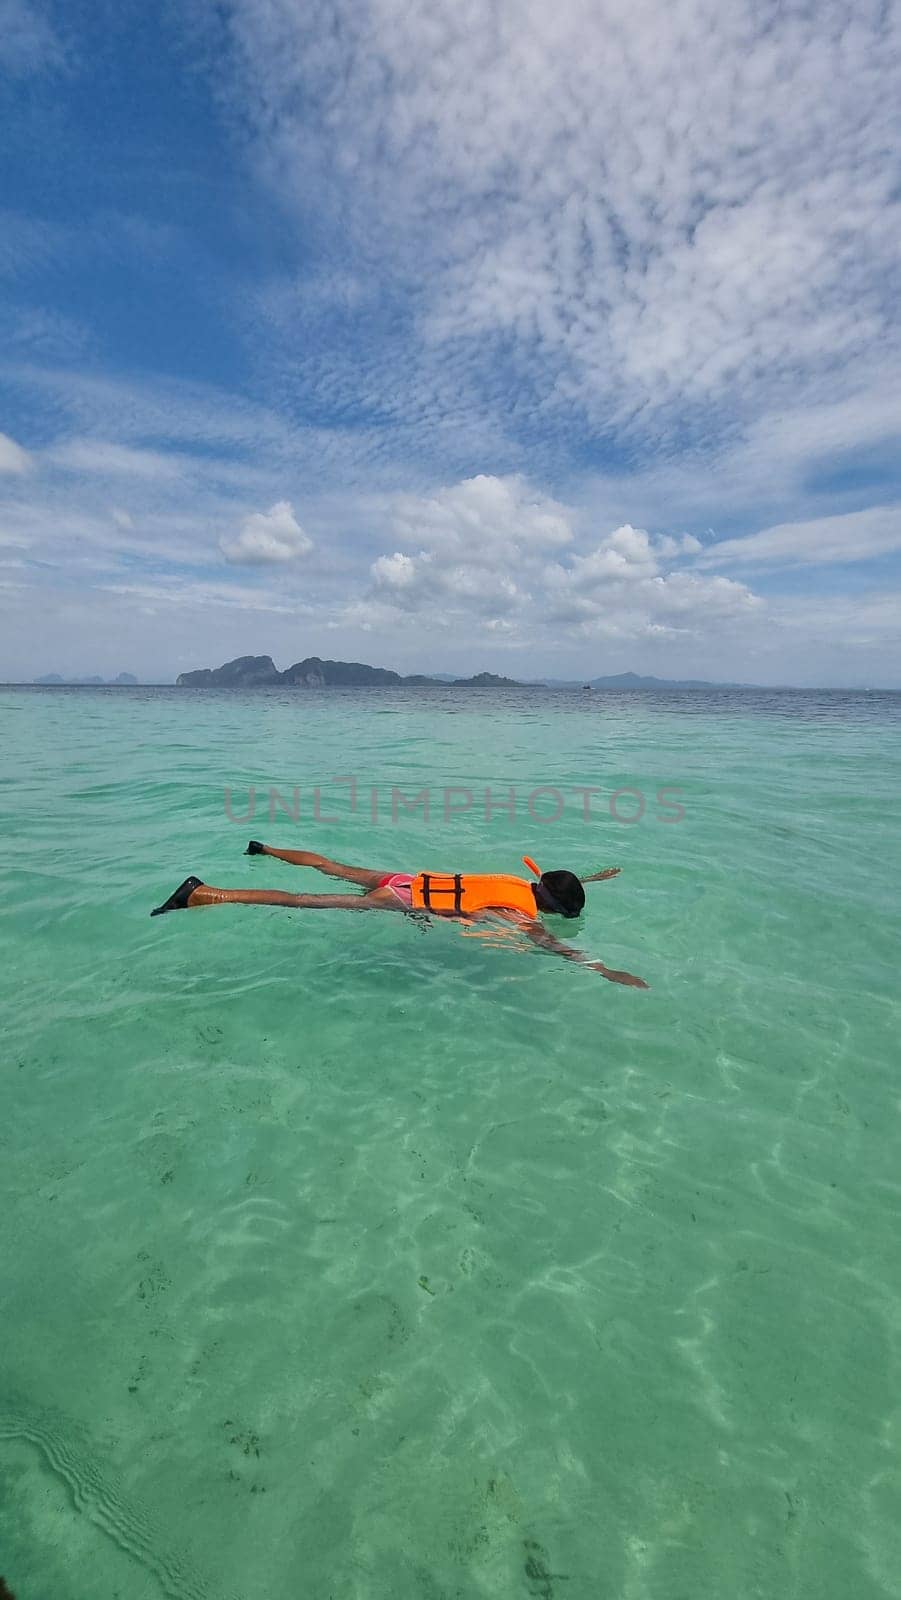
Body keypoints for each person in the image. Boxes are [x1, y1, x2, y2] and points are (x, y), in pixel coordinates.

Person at [151, 844, 648, 987]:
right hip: (403, 901)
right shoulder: (517, 911)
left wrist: (597, 878)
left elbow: (557, 886)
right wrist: (601, 969)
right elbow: (550, 945)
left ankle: (264, 848)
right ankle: (205, 894)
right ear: (553, 908)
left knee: (331, 867)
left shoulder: (520, 883)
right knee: (304, 902)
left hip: (404, 879)